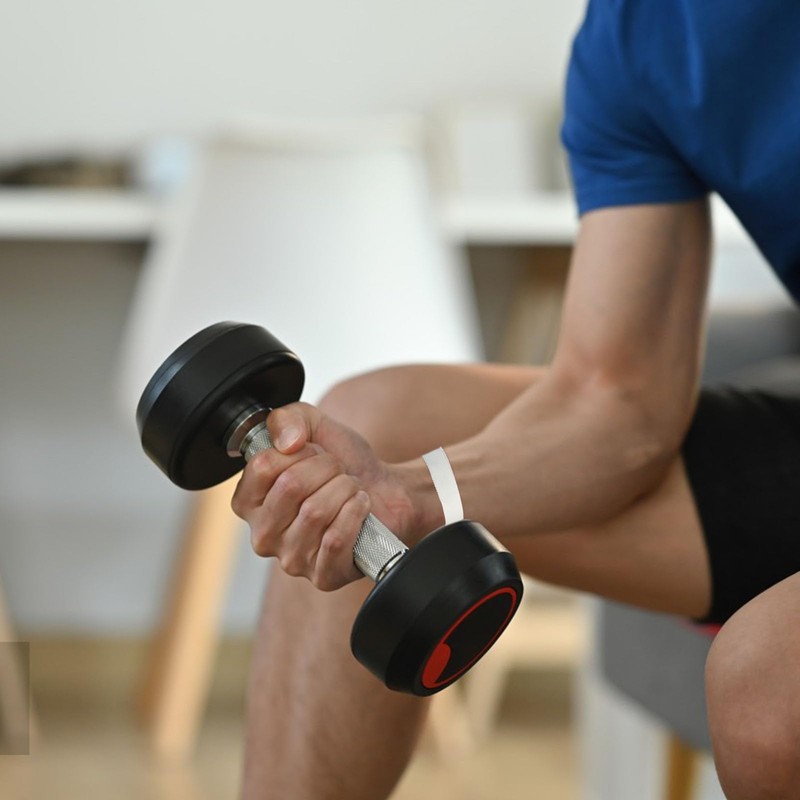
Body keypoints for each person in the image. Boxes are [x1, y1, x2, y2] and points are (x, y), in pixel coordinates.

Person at [233, 3, 800, 799]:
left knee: (770, 693)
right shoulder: (638, 34)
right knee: (371, 430)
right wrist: (406, 494)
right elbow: (615, 398)